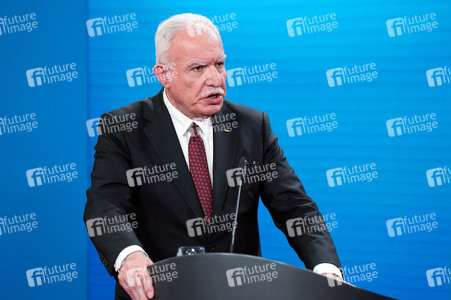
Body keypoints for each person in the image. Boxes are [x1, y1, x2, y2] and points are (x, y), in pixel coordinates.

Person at [84, 13, 342, 300]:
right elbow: (105, 206)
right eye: (197, 68)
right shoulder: (124, 128)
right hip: (157, 294)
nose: (215, 78)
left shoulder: (252, 126)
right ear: (163, 74)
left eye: (219, 64)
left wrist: (326, 270)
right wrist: (130, 256)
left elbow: (295, 207)